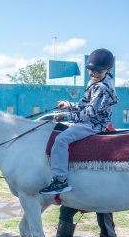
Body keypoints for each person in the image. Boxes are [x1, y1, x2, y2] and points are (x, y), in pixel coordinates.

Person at [40, 48, 119, 194]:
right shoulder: (94, 82)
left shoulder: (102, 87)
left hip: (94, 124)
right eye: (91, 71)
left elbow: (89, 113)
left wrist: (65, 116)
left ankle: (60, 180)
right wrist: (69, 105)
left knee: (61, 140)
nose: (94, 74)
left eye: (98, 72)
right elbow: (84, 105)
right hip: (88, 119)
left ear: (108, 70)